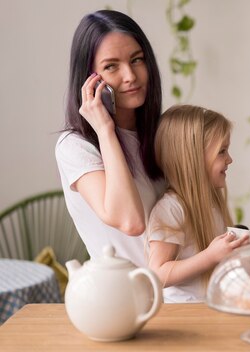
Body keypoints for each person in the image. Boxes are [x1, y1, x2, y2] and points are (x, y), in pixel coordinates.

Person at [55, 10, 166, 267]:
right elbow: (131, 221)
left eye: (137, 60)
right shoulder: (75, 146)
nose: (130, 76)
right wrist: (105, 130)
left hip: (181, 293)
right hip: (127, 297)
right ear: (89, 79)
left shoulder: (159, 133)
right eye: (111, 66)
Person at [147, 105, 249, 303]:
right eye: (222, 151)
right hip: (184, 316)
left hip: (210, 309)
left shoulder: (211, 202)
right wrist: (210, 256)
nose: (230, 159)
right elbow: (157, 275)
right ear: (192, 159)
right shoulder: (171, 208)